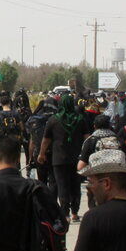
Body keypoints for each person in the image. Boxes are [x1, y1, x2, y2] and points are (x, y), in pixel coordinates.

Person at [39, 93, 87, 222]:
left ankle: (65, 213)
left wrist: (41, 154)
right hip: (77, 159)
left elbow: (46, 140)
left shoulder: (54, 120)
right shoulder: (80, 119)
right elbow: (87, 138)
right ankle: (75, 213)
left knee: (62, 185)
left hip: (59, 158)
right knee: (75, 185)